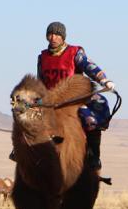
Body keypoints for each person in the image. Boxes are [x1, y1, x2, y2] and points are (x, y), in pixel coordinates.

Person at [37, 21, 115, 171]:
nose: (53, 37)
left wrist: (103, 80)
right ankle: (21, 152)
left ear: (63, 37)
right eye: (50, 34)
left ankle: (93, 156)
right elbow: (41, 80)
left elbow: (90, 66)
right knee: (28, 118)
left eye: (57, 34)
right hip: (52, 99)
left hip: (74, 98)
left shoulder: (74, 53)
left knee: (90, 119)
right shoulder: (43, 57)